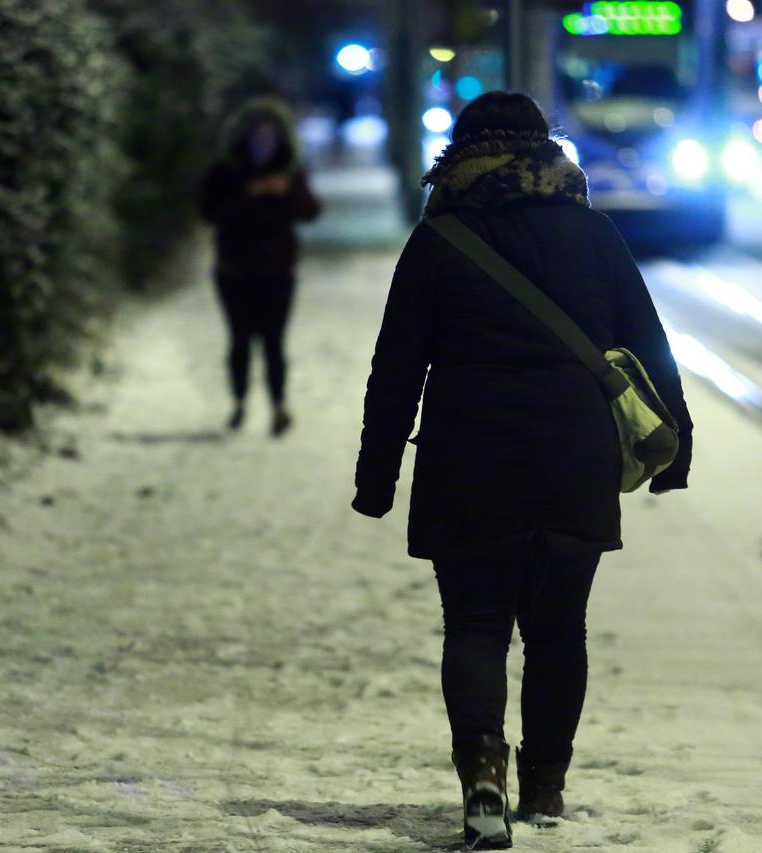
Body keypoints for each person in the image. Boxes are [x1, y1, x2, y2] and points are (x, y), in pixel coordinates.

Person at [351, 91, 693, 850]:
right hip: (573, 456)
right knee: (558, 629)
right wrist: (679, 447)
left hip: (467, 456)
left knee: (474, 623)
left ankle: (481, 778)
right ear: (547, 154)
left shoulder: (439, 238)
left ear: (460, 158)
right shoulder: (596, 233)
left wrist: (377, 475)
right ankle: (545, 787)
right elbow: (650, 342)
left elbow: (395, 367)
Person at [200, 98, 321, 436]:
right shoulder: (226, 171)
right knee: (240, 339)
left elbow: (311, 211)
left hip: (278, 270)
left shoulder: (290, 171)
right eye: (257, 139)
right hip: (234, 270)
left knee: (274, 341)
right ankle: (239, 402)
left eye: (270, 139)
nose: (263, 146)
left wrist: (288, 192)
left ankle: (278, 406)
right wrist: (247, 194)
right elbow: (209, 213)